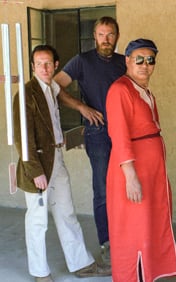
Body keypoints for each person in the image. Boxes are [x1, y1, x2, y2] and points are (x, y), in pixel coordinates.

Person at [13, 45, 111, 282]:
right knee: (37, 220)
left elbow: (63, 101)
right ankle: (40, 273)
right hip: (36, 163)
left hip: (57, 158)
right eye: (39, 64)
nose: (44, 68)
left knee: (66, 213)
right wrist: (35, 170)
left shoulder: (52, 87)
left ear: (56, 65)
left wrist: (81, 108)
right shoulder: (26, 94)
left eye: (48, 63)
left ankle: (81, 263)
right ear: (33, 67)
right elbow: (22, 137)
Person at [105, 38, 176, 281]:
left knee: (149, 223)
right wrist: (130, 177)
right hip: (133, 170)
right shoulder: (120, 89)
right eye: (139, 59)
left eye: (150, 60)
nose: (144, 64)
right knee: (134, 227)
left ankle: (149, 272)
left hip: (150, 170)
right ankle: (133, 275)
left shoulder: (143, 89)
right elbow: (119, 135)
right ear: (127, 60)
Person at [54, 16, 126, 264]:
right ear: (94, 36)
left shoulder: (123, 62)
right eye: (101, 34)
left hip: (125, 132)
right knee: (103, 190)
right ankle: (107, 243)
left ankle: (126, 238)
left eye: (111, 34)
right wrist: (81, 107)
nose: (106, 39)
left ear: (117, 36)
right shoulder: (82, 61)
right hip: (98, 133)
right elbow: (55, 86)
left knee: (128, 185)